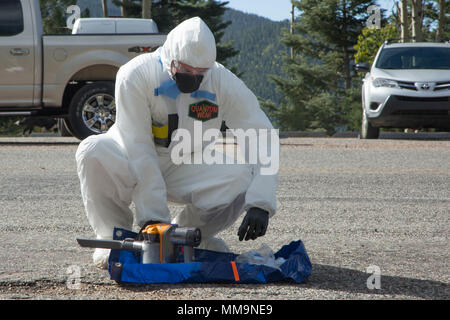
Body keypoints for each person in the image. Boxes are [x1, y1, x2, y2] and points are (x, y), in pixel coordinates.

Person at [75, 17, 279, 268]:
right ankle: (114, 238)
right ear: (169, 57)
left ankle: (188, 238)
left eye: (200, 73)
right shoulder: (135, 74)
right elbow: (138, 146)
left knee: (241, 178)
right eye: (184, 70)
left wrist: (261, 202)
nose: (192, 78)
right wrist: (153, 218)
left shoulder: (221, 80)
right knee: (93, 150)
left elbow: (261, 134)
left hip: (186, 160)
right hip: (130, 157)